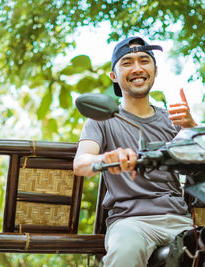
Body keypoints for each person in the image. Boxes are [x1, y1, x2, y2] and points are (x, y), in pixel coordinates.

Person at [73, 36, 198, 267]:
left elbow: (204, 160)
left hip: (179, 220)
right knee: (125, 253)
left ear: (155, 70)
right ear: (113, 75)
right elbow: (81, 164)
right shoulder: (102, 119)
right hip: (130, 222)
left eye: (144, 60)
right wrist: (108, 157)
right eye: (127, 62)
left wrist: (192, 128)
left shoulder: (174, 121)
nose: (137, 68)